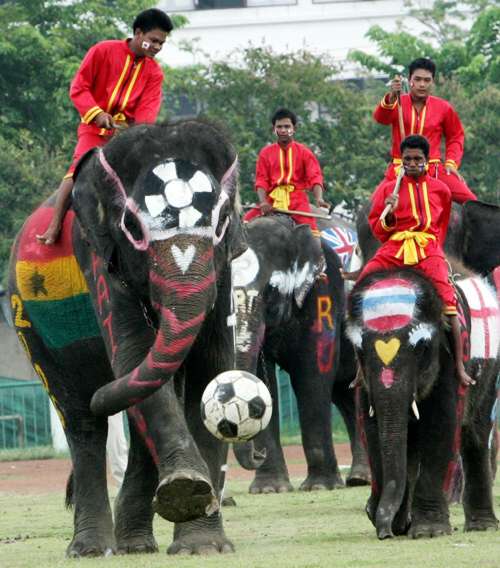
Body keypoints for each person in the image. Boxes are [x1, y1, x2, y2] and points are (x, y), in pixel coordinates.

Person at [36, 8, 173, 245]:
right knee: (77, 170)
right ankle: (54, 225)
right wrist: (97, 113)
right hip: (93, 130)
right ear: (138, 33)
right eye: (153, 41)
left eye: (161, 43)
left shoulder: (154, 72)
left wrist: (135, 132)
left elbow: (147, 113)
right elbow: (79, 88)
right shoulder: (103, 50)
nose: (158, 47)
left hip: (128, 137)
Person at [358, 134, 475, 387]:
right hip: (395, 246)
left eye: (417, 159)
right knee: (362, 286)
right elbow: (379, 229)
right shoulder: (389, 189)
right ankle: (360, 371)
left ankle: (459, 366)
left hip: (427, 247)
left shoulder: (441, 189)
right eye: (407, 159)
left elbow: (440, 226)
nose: (412, 163)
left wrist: (432, 247)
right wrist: (390, 213)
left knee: (449, 303)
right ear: (401, 161)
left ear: (426, 161)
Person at [374, 57, 476, 203]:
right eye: (418, 79)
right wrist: (391, 97)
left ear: (432, 81)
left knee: (473, 203)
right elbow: (380, 118)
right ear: (410, 80)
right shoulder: (397, 102)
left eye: (427, 80)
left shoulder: (444, 108)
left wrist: (451, 163)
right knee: (373, 206)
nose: (422, 84)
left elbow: (456, 136)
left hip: (434, 169)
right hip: (400, 168)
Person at [243, 107, 330, 275]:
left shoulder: (304, 152)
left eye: (287, 127)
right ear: (274, 129)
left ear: (294, 129)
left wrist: (319, 199)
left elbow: (315, 176)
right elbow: (261, 180)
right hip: (272, 199)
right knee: (245, 224)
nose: (283, 130)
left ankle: (318, 266)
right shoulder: (265, 153)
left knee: (312, 231)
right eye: (280, 127)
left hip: (296, 198)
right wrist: (263, 202)